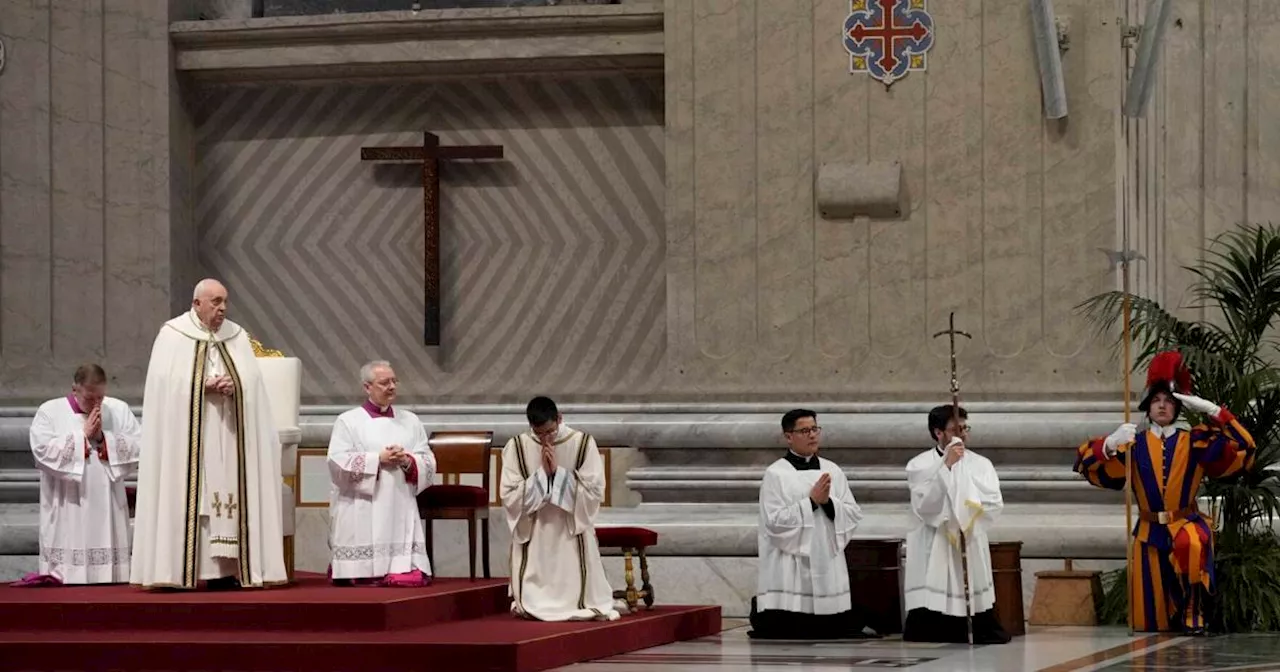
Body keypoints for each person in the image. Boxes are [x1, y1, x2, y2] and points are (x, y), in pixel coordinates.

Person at [1075, 350, 1255, 634]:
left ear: (1178, 408)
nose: (1162, 406)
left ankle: (1193, 610)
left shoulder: (1195, 440)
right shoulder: (1132, 443)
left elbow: (1244, 449)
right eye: (1156, 401)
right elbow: (1089, 468)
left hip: (1185, 522)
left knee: (1191, 544)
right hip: (1148, 530)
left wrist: (1214, 412)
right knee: (1149, 624)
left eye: (1169, 401)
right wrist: (1109, 444)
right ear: (1148, 407)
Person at [130, 278, 288, 590]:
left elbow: (254, 386)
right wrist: (200, 385)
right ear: (196, 303)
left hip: (229, 435)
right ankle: (176, 571)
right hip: (187, 438)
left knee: (227, 494)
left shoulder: (237, 336)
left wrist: (236, 387)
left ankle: (226, 571)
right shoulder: (173, 334)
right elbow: (162, 387)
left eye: (225, 301)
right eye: (215, 302)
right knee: (192, 496)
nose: (222, 308)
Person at [749, 409, 869, 640]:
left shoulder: (832, 469)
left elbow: (852, 512)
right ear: (788, 436)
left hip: (824, 550)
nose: (812, 435)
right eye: (804, 431)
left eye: (815, 429)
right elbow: (773, 522)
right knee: (793, 619)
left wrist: (829, 503)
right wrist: (811, 502)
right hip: (790, 559)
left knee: (834, 621)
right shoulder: (776, 474)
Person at [20, 364, 143, 586]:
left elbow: (138, 444)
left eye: (101, 397)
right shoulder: (50, 411)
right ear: (75, 390)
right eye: (89, 398)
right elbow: (41, 451)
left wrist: (105, 439)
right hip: (69, 501)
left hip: (108, 498)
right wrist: (82, 436)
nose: (96, 404)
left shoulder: (118, 409)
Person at [500, 396, 619, 621]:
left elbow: (594, 493)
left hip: (569, 527)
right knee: (532, 598)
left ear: (560, 419)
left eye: (550, 432)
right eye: (539, 434)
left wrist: (558, 474)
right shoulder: (516, 446)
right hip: (536, 529)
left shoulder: (583, 443)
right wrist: (542, 476)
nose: (546, 440)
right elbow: (509, 494)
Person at [902, 405, 1010, 644]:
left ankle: (978, 626)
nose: (962, 434)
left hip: (968, 535)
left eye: (964, 428)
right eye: (955, 429)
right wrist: (947, 467)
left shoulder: (982, 464)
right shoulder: (919, 465)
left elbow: (994, 502)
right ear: (938, 432)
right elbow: (924, 505)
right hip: (935, 536)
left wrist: (967, 515)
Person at [327, 360, 434, 586]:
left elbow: (427, 457)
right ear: (367, 387)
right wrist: (377, 460)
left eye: (394, 381)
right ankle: (361, 568)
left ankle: (400, 567)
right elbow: (338, 462)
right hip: (363, 501)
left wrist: (406, 460)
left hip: (399, 497)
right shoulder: (348, 421)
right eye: (384, 382)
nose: (392, 387)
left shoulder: (410, 421)